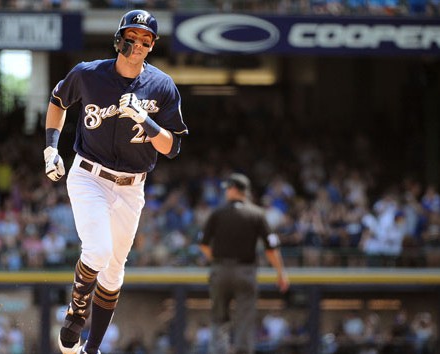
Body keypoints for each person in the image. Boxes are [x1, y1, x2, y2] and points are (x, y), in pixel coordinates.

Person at [43, 9, 188, 354]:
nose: (138, 43)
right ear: (119, 38)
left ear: (152, 45)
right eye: (132, 36)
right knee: (98, 250)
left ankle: (90, 349)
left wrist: (147, 122)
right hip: (88, 175)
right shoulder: (89, 74)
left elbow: (173, 147)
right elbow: (58, 101)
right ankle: (76, 314)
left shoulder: (161, 85)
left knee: (114, 272)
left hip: (132, 185)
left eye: (146, 39)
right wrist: (50, 148)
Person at [199, 173, 290, 354]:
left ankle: (218, 351)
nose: (226, 192)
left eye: (228, 188)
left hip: (221, 269)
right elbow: (271, 247)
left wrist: (216, 261)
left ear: (234, 189)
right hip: (246, 271)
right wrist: (281, 273)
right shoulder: (257, 213)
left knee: (218, 318)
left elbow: (203, 244)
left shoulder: (218, 213)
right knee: (245, 319)